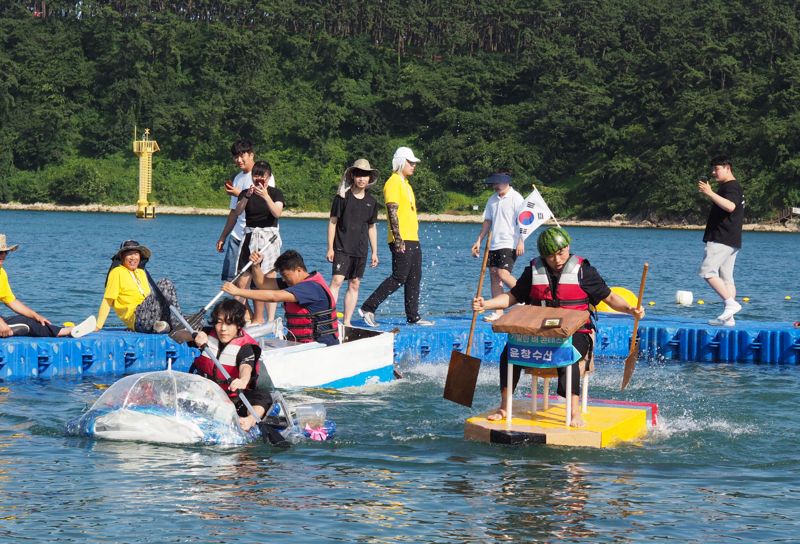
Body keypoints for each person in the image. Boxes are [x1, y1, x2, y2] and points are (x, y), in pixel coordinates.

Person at [472, 227, 644, 427]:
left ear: (567, 247)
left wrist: (631, 310)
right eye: (550, 256)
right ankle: (504, 406)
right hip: (541, 332)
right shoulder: (533, 271)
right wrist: (486, 304)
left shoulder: (585, 271)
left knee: (568, 355)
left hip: (577, 333)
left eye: (561, 253)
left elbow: (611, 297)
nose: (557, 259)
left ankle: (573, 413)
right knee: (509, 353)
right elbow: (512, 297)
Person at [360, 146, 433, 327]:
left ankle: (413, 316)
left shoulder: (406, 184)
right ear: (401, 161)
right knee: (399, 276)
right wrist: (398, 238)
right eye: (410, 162)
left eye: (414, 163)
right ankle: (368, 307)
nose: (414, 166)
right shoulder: (393, 182)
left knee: (415, 277)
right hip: (401, 239)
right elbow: (392, 210)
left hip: (412, 237)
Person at [222, 250, 339, 346]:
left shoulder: (310, 288)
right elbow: (262, 284)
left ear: (299, 270)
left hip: (321, 345)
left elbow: (273, 296)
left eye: (285, 276)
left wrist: (238, 291)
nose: (283, 280)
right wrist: (256, 265)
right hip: (301, 344)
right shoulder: (293, 282)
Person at [188, 298, 270, 432]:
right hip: (206, 394)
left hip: (235, 398)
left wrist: (243, 380)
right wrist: (194, 335)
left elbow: (246, 367)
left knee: (263, 396)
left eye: (229, 323)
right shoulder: (207, 334)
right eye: (219, 323)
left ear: (238, 325)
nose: (223, 329)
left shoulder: (246, 347)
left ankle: (249, 421)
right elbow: (176, 335)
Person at [218, 160, 284, 325]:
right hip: (249, 236)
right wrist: (247, 195)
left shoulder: (276, 193)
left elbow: (277, 213)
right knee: (242, 279)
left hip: (268, 238)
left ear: (268, 178)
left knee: (268, 277)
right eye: (256, 175)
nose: (259, 179)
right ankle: (240, 318)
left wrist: (266, 196)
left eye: (263, 176)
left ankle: (269, 320)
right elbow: (238, 211)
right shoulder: (245, 193)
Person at [0, 234, 93, 338]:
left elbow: (11, 301)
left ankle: (66, 331)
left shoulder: (1, 273)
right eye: (0, 252)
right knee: (24, 325)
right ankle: (65, 331)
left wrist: (36, 316)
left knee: (29, 321)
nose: (3, 255)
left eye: (5, 252)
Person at [326, 158, 380, 326]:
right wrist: (330, 248)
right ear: (353, 176)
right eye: (359, 175)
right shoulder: (342, 198)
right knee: (337, 281)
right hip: (342, 247)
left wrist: (375, 252)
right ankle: (328, 319)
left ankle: (347, 322)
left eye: (365, 175)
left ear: (370, 178)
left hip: (361, 249)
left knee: (355, 284)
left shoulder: (372, 202)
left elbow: (371, 227)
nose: (362, 179)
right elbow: (333, 222)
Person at [216, 140, 276, 282]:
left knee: (258, 283)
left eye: (242, 156)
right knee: (233, 282)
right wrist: (223, 236)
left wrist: (239, 193)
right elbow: (234, 212)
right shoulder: (237, 178)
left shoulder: (263, 176)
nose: (238, 160)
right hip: (237, 236)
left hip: (257, 236)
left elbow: (264, 202)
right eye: (236, 156)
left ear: (251, 155)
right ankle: (239, 306)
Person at [95, 240, 182, 333]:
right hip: (138, 318)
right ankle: (177, 324)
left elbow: (150, 298)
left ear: (140, 256)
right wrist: (98, 326)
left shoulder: (141, 272)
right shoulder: (116, 272)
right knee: (165, 283)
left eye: (136, 254)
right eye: (129, 254)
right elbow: (108, 300)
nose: (133, 257)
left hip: (150, 316)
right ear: (122, 256)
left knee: (164, 290)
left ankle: (168, 324)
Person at [471, 172, 525, 322]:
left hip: (510, 242)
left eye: (497, 183)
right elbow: (487, 221)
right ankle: (498, 312)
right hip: (494, 243)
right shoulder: (492, 200)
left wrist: (521, 241)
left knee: (503, 273)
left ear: (506, 182)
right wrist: (479, 241)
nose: (495, 186)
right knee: (494, 276)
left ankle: (523, 297)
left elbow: (524, 221)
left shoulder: (517, 198)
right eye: (493, 184)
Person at [698, 155, 744, 326]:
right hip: (731, 238)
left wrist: (709, 193)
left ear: (727, 168)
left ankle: (731, 304)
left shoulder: (730, 187)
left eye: (716, 169)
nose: (713, 172)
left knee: (707, 271)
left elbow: (730, 206)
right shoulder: (733, 186)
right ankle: (729, 318)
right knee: (726, 278)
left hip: (722, 237)